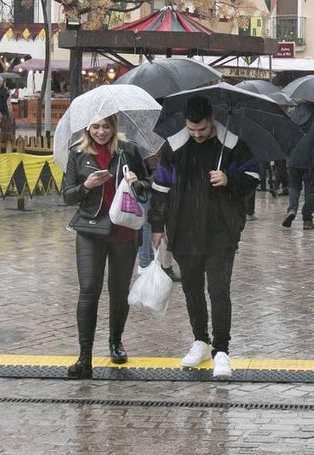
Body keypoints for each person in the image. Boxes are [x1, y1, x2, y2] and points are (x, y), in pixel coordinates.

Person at [149, 95, 260, 379]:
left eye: (202, 129)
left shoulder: (232, 144)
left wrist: (229, 180)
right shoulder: (174, 147)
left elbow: (254, 176)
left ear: (211, 120)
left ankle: (221, 350)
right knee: (192, 289)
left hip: (221, 230)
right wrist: (157, 225)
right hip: (184, 229)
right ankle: (200, 339)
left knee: (219, 290)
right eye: (192, 129)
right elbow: (160, 187)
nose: (197, 135)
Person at [62, 115, 151, 379]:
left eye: (106, 126)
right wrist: (87, 186)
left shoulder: (129, 150)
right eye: (96, 126)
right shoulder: (78, 153)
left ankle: (116, 342)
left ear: (114, 127)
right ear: (87, 128)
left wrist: (137, 182)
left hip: (123, 228)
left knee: (118, 290)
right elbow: (67, 195)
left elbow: (148, 186)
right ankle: (84, 357)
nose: (101, 132)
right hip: (90, 229)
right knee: (89, 290)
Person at [283, 100, 314, 230]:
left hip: (293, 159)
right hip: (311, 162)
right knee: (310, 190)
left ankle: (291, 209)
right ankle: (307, 219)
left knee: (294, 187)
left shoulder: (291, 118)